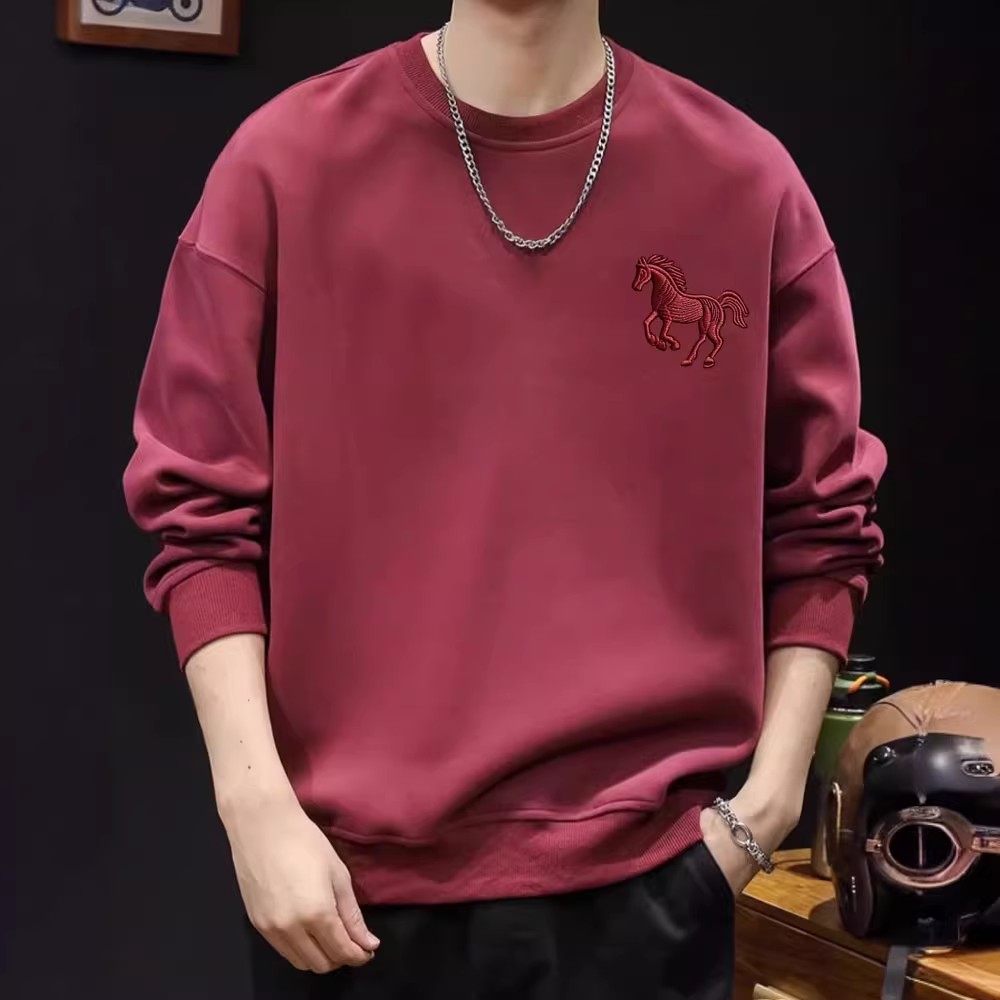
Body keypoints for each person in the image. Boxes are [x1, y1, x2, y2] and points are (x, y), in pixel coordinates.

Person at [121, 1, 888, 997]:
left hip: (654, 890)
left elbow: (823, 523)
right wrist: (253, 806)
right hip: (347, 895)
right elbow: (198, 515)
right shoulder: (283, 164)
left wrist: (767, 807)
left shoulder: (746, 183)